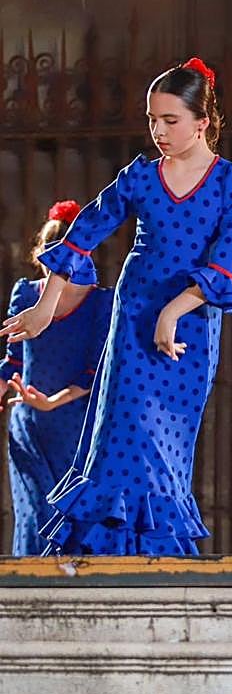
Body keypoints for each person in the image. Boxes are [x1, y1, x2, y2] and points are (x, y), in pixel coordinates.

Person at [0, 57, 232, 555]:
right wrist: (47, 309)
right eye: (152, 120)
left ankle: (157, 560)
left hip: (190, 325)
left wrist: (175, 310)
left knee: (166, 447)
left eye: (170, 120)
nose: (158, 131)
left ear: (202, 122)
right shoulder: (140, 176)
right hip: (135, 314)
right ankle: (107, 558)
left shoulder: (231, 180)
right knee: (125, 433)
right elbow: (83, 233)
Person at [1, 201, 114, 555]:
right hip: (28, 427)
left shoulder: (101, 303)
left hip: (77, 430)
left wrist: (52, 401)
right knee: (34, 514)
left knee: (69, 519)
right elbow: (12, 360)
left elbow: (96, 372)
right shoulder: (24, 294)